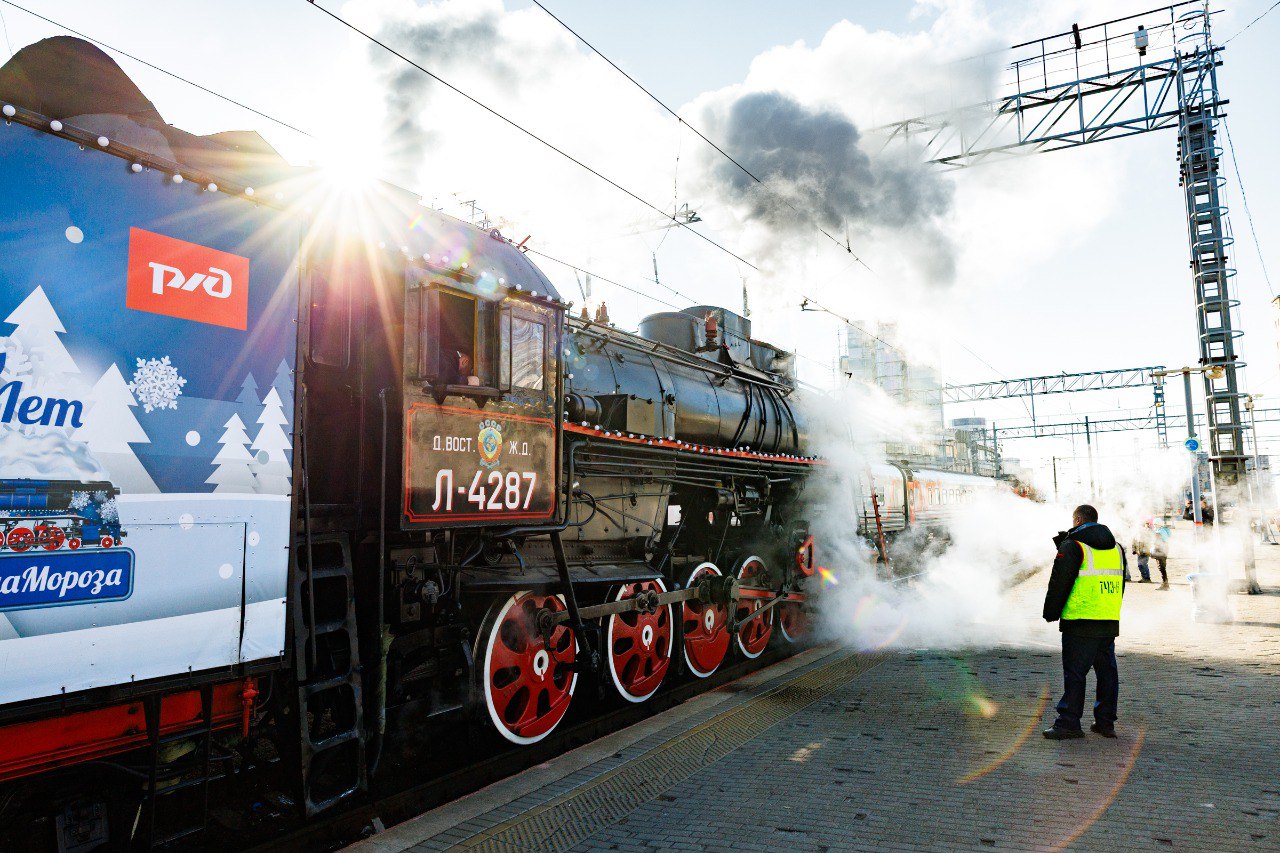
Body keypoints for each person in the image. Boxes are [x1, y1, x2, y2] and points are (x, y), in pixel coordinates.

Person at [1042, 504, 1126, 740]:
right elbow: (1121, 584)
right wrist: (1111, 609)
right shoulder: (1117, 548)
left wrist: (1051, 612)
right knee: (1107, 672)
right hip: (1107, 618)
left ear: (1078, 520)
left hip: (1079, 620)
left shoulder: (1074, 545)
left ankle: (1069, 722)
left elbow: (1060, 582)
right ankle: (1105, 722)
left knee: (1075, 673)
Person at [1131, 519, 1170, 587]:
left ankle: (1165, 584)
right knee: (1161, 568)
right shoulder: (1161, 530)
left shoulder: (1159, 532)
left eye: (1155, 524)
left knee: (1162, 568)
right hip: (1162, 551)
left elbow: (1156, 540)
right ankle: (1165, 584)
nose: (1154, 526)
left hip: (1161, 551)